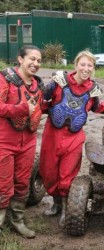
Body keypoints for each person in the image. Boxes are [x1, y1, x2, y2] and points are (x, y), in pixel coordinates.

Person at [39, 50, 104, 227]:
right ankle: (55, 204)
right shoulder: (58, 81)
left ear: (93, 68)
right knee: (48, 172)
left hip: (73, 137)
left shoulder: (93, 89)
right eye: (83, 64)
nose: (86, 69)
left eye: (90, 65)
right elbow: (41, 100)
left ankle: (65, 209)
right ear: (76, 64)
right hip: (52, 134)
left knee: (67, 175)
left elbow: (97, 107)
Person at [0, 45, 44, 238]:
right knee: (3, 183)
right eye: (32, 59)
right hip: (4, 141)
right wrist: (20, 109)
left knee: (23, 182)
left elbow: (44, 106)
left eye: (39, 61)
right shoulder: (5, 79)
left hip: (28, 141)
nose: (35, 64)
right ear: (20, 59)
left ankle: (17, 220)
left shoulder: (38, 85)